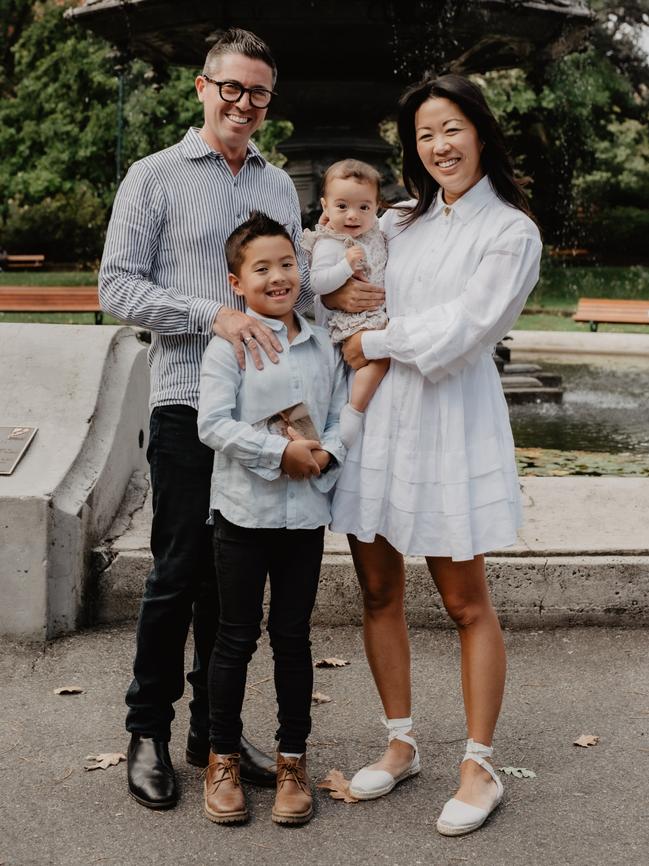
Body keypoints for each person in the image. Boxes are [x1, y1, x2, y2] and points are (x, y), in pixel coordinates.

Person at [99, 28, 310, 810]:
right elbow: (116, 287)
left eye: (258, 92)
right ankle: (146, 731)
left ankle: (211, 734)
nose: (244, 103)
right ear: (201, 87)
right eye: (232, 87)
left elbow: (296, 286)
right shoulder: (153, 177)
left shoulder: (280, 186)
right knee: (178, 572)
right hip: (188, 400)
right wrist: (210, 314)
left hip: (263, 415)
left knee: (232, 590)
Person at [331, 74, 543, 836]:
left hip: (452, 423)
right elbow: (347, 282)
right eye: (424, 134)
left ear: (479, 131)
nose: (439, 146)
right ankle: (400, 744)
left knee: (464, 601)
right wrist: (337, 305)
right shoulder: (399, 220)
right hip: (380, 420)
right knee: (379, 592)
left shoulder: (511, 231)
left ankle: (479, 765)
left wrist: (374, 340)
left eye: (450, 128)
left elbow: (464, 333)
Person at [197, 212, 347, 825]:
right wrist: (276, 453)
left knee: (293, 638)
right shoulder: (225, 347)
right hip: (243, 515)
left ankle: (292, 761)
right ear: (238, 282)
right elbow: (213, 424)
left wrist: (325, 454)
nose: (278, 276)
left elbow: (338, 419)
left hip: (303, 520)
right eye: (262, 268)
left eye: (287, 264)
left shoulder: (320, 347)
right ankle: (223, 757)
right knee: (234, 638)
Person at [302, 159, 390, 448]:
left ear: (377, 207)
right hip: (351, 322)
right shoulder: (330, 243)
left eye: (363, 207)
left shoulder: (374, 235)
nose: (353, 215)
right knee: (379, 361)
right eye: (342, 207)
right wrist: (346, 267)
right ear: (325, 207)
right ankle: (354, 412)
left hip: (375, 316)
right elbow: (317, 283)